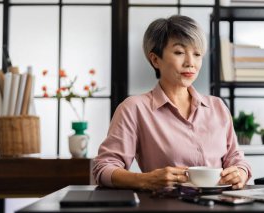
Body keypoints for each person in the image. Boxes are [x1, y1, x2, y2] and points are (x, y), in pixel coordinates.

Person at [93, 15, 251, 191]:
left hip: (222, 203)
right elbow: (103, 168)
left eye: (197, 54)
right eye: (179, 52)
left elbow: (236, 158)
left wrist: (240, 173)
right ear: (155, 59)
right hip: (166, 204)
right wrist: (145, 180)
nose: (191, 63)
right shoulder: (134, 108)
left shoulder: (217, 106)